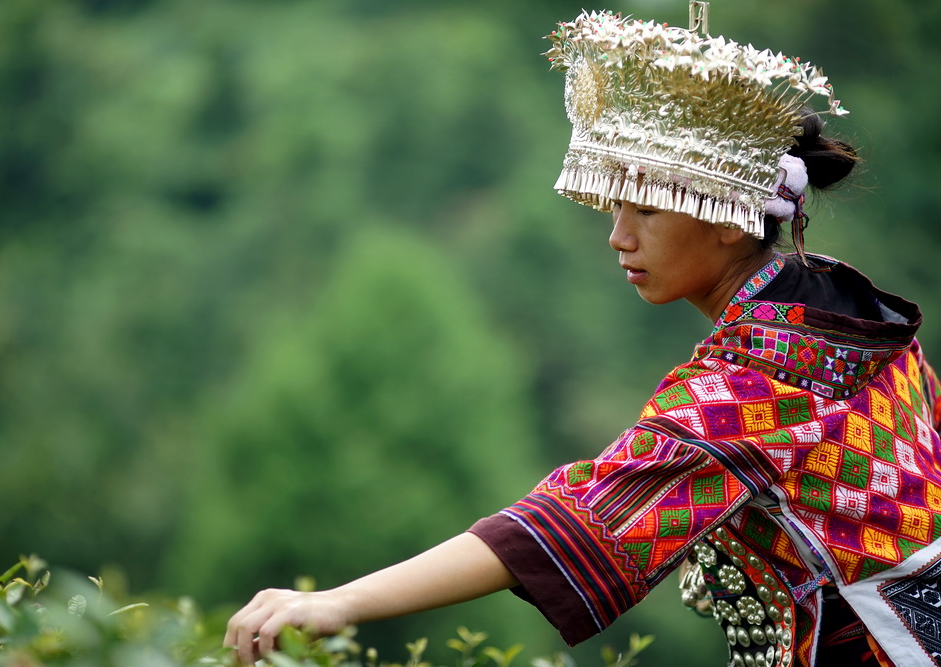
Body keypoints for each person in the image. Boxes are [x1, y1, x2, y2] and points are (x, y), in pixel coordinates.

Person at [225, 6, 941, 667]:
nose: (618, 237)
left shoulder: (747, 388)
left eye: (647, 210)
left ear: (728, 217)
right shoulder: (850, 319)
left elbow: (585, 517)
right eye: (612, 206)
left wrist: (337, 600)